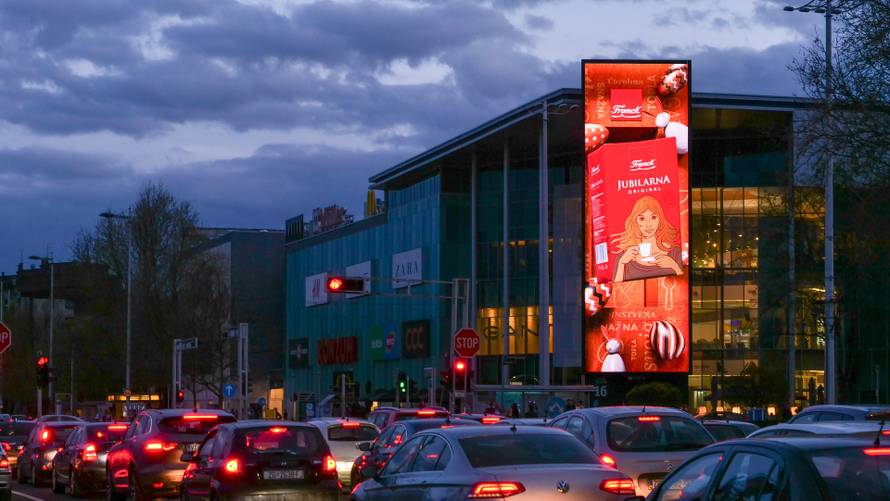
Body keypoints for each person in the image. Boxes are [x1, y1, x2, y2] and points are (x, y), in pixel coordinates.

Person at [612, 195, 683, 282]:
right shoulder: (623, 256)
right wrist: (622, 263)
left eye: (653, 217)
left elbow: (684, 285)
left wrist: (674, 266)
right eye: (642, 218)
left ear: (660, 219)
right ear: (635, 221)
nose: (648, 224)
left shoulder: (675, 252)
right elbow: (616, 289)